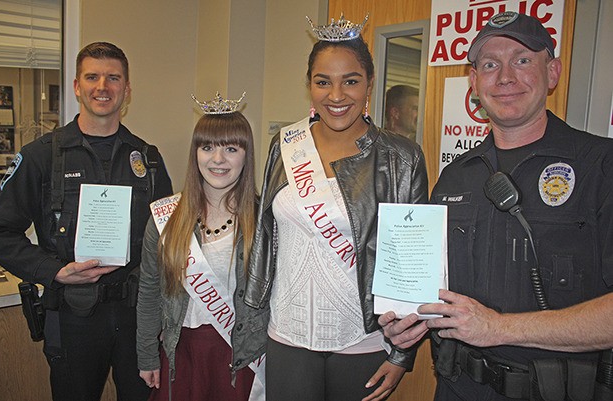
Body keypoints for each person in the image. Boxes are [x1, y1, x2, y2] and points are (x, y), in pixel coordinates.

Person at [379, 11, 613, 400]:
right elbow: (433, 286)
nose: (505, 77)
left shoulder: (600, 166)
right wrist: (405, 319)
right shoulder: (455, 176)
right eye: (490, 64)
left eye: (522, 60)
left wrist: (499, 328)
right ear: (474, 82)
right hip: (458, 386)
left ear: (552, 72)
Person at [231, 14, 429, 401]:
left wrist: (402, 353)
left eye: (350, 81)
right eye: (323, 82)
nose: (336, 96)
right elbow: (267, 237)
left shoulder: (400, 158)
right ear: (310, 86)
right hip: (286, 332)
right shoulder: (284, 145)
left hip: (361, 337)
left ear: (369, 84)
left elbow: (412, 261)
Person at [0, 42, 173, 401]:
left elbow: (169, 240)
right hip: (72, 315)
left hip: (136, 317)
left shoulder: (148, 161)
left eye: (113, 78)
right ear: (77, 86)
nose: (102, 86)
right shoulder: (41, 156)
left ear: (126, 90)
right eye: (92, 77)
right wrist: (53, 271)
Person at [136, 93, 264, 401]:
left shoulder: (264, 221)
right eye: (207, 147)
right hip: (181, 352)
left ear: (246, 155)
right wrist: (146, 355)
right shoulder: (165, 217)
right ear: (195, 153)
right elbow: (149, 291)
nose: (217, 159)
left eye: (230, 149)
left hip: (241, 355)